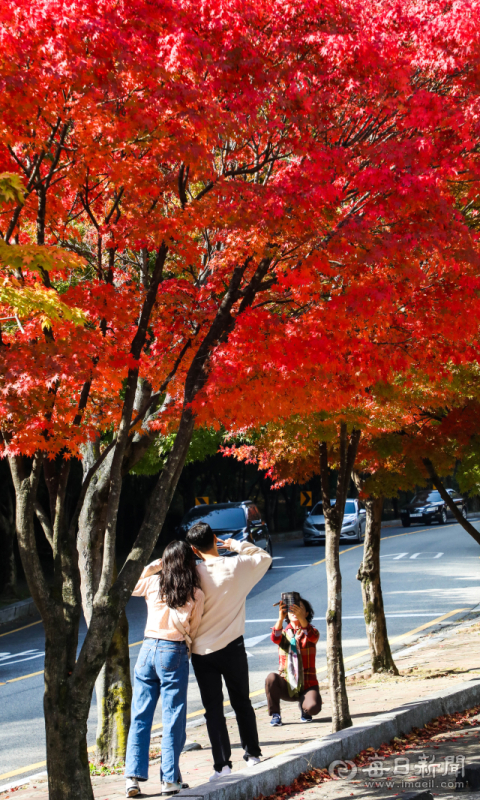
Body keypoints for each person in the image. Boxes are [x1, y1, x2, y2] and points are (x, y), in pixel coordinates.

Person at [186, 522, 272, 781]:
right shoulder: (238, 565)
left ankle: (222, 765)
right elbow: (264, 557)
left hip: (202, 650)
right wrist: (235, 544)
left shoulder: (192, 573)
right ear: (215, 538)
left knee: (213, 709)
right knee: (241, 701)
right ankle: (253, 754)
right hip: (233, 646)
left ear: (193, 549)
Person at [125, 541, 205, 798]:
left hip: (147, 650)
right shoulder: (195, 593)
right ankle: (169, 780)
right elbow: (194, 628)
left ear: (166, 562)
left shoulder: (152, 584)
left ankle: (132, 780)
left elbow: (130, 584)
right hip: (174, 650)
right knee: (173, 717)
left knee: (140, 715)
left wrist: (151, 567)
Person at [265, 596, 322, 727]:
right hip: (287, 684)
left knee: (313, 708)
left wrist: (301, 619)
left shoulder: (311, 632)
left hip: (307, 684)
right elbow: (275, 637)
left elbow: (312, 636)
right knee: (271, 678)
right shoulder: (283, 633)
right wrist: (280, 617)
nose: (295, 613)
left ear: (306, 613)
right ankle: (275, 714)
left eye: (299, 609)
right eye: (291, 610)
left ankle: (305, 708)